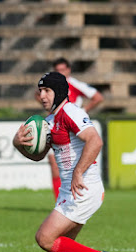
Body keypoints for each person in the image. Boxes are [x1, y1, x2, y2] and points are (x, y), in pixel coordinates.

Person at [14, 72, 113, 252]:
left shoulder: (71, 112)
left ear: (58, 92)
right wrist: (18, 144)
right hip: (71, 191)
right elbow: (38, 157)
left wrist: (78, 172)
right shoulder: (50, 122)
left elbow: (95, 140)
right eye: (40, 92)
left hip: (82, 188)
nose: (42, 96)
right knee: (64, 247)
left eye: (47, 91)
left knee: (45, 239)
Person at [36, 57, 105, 201]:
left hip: (72, 130)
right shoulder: (51, 86)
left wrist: (84, 110)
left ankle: (79, 196)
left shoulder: (74, 85)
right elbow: (38, 95)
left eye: (63, 70)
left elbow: (98, 97)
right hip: (54, 127)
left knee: (74, 165)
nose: (61, 73)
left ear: (68, 70)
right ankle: (60, 201)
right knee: (54, 166)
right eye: (57, 70)